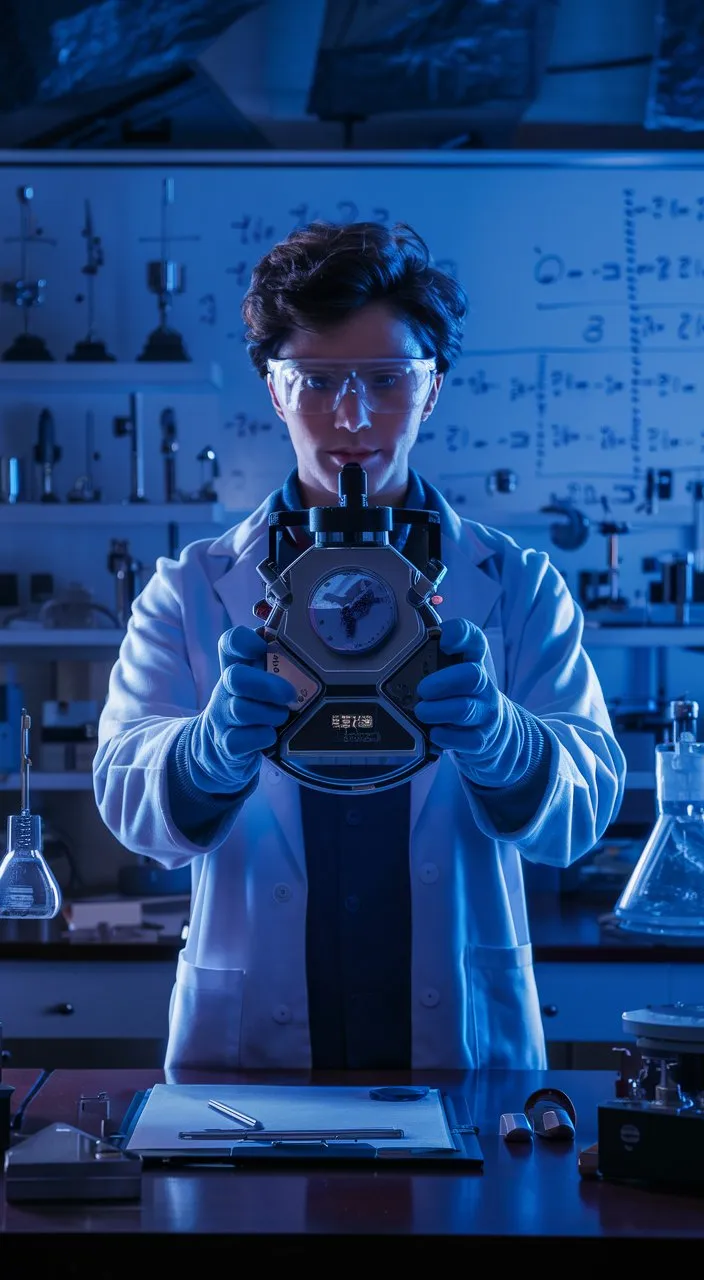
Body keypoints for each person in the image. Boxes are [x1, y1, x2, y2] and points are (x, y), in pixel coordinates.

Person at [93, 220, 626, 1073]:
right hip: (250, 1059)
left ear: (433, 389)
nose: (352, 416)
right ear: (273, 390)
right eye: (316, 381)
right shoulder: (193, 587)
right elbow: (126, 795)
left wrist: (504, 739)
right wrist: (204, 752)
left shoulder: (517, 585)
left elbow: (585, 805)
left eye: (385, 380)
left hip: (457, 1046)